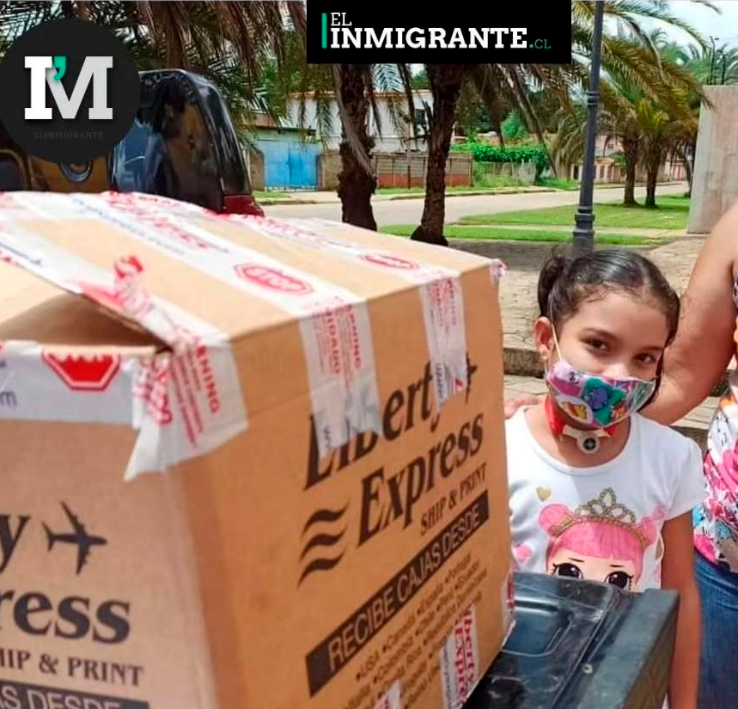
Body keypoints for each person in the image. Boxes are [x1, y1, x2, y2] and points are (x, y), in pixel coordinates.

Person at [506, 250, 703, 709]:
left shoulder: (672, 458)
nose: (619, 375)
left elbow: (679, 595)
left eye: (645, 358)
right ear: (546, 339)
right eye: (599, 345)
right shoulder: (499, 451)